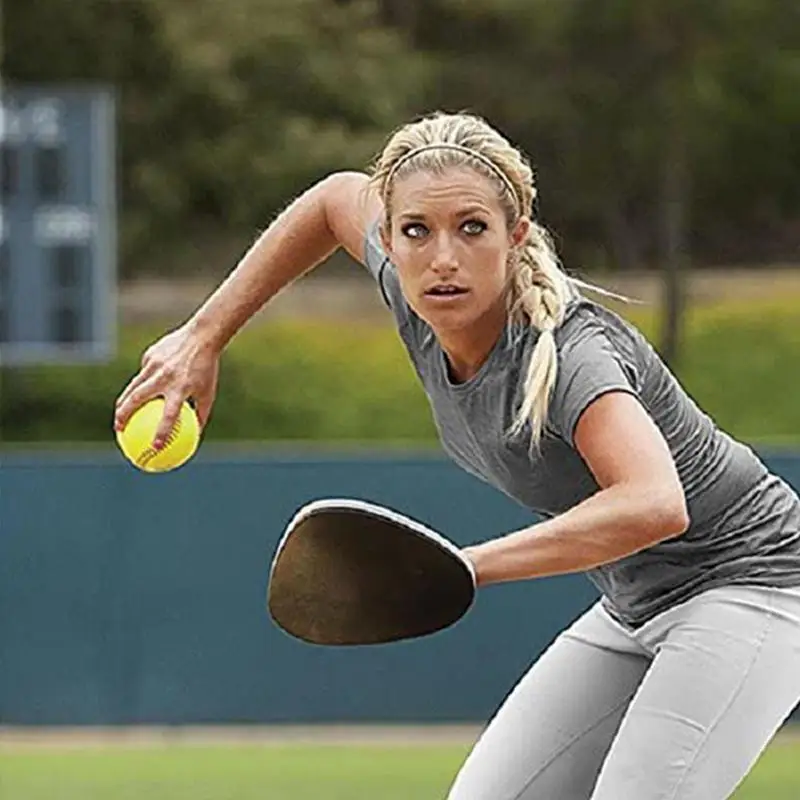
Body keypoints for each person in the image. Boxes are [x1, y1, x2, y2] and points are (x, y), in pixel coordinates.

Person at [114, 111, 800, 799]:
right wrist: (204, 336)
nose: (443, 257)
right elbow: (331, 200)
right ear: (389, 238)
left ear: (516, 237)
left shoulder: (570, 355)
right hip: (634, 606)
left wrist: (466, 567)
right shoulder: (421, 302)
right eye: (416, 231)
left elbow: (654, 503)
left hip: (754, 587)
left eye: (472, 227)